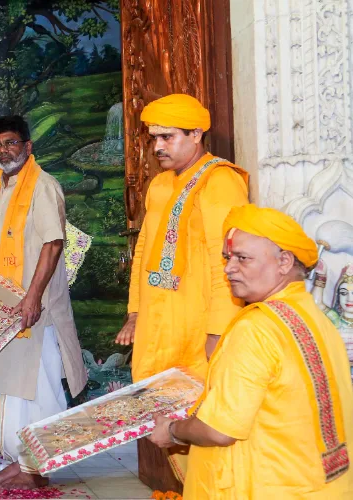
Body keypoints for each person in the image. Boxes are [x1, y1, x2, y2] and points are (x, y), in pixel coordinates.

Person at [149, 204, 353, 499]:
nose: (229, 267)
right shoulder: (315, 316)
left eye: (242, 258)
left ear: (284, 262)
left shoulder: (256, 328)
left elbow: (220, 430)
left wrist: (171, 431)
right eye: (227, 258)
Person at [115, 94, 249, 481]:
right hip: (158, 326)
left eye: (168, 137)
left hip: (198, 330)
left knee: (203, 417)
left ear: (197, 134)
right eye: (153, 138)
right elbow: (143, 252)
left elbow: (226, 260)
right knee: (164, 418)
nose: (157, 146)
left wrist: (218, 331)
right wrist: (135, 312)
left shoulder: (219, 181)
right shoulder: (159, 185)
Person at [0, 116, 87, 489]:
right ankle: (20, 461)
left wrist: (32, 296)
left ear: (28, 146)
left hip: (35, 310)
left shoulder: (42, 186)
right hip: (2, 308)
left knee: (38, 385)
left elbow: (53, 244)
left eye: (12, 143)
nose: (4, 150)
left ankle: (37, 465)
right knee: (9, 387)